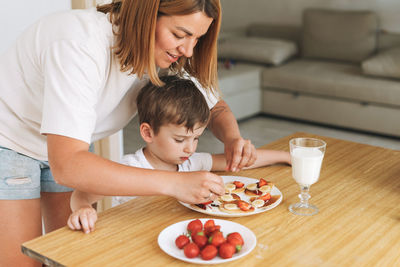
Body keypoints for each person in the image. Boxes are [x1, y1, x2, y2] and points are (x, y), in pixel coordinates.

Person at [0, 1, 260, 265]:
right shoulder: (79, 43)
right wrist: (174, 183)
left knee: (70, 256)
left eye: (198, 38)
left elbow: (214, 107)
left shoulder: (171, 53)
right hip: (12, 141)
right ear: (147, 16)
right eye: (180, 35)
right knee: (23, 262)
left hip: (72, 145)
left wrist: (232, 138)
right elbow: (68, 165)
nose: (189, 50)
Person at [67, 75, 291, 234]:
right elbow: (82, 194)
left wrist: (286, 157)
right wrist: (84, 208)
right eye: (179, 140)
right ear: (147, 132)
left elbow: (237, 162)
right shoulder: (129, 167)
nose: (190, 149)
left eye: (196, 138)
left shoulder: (191, 163)